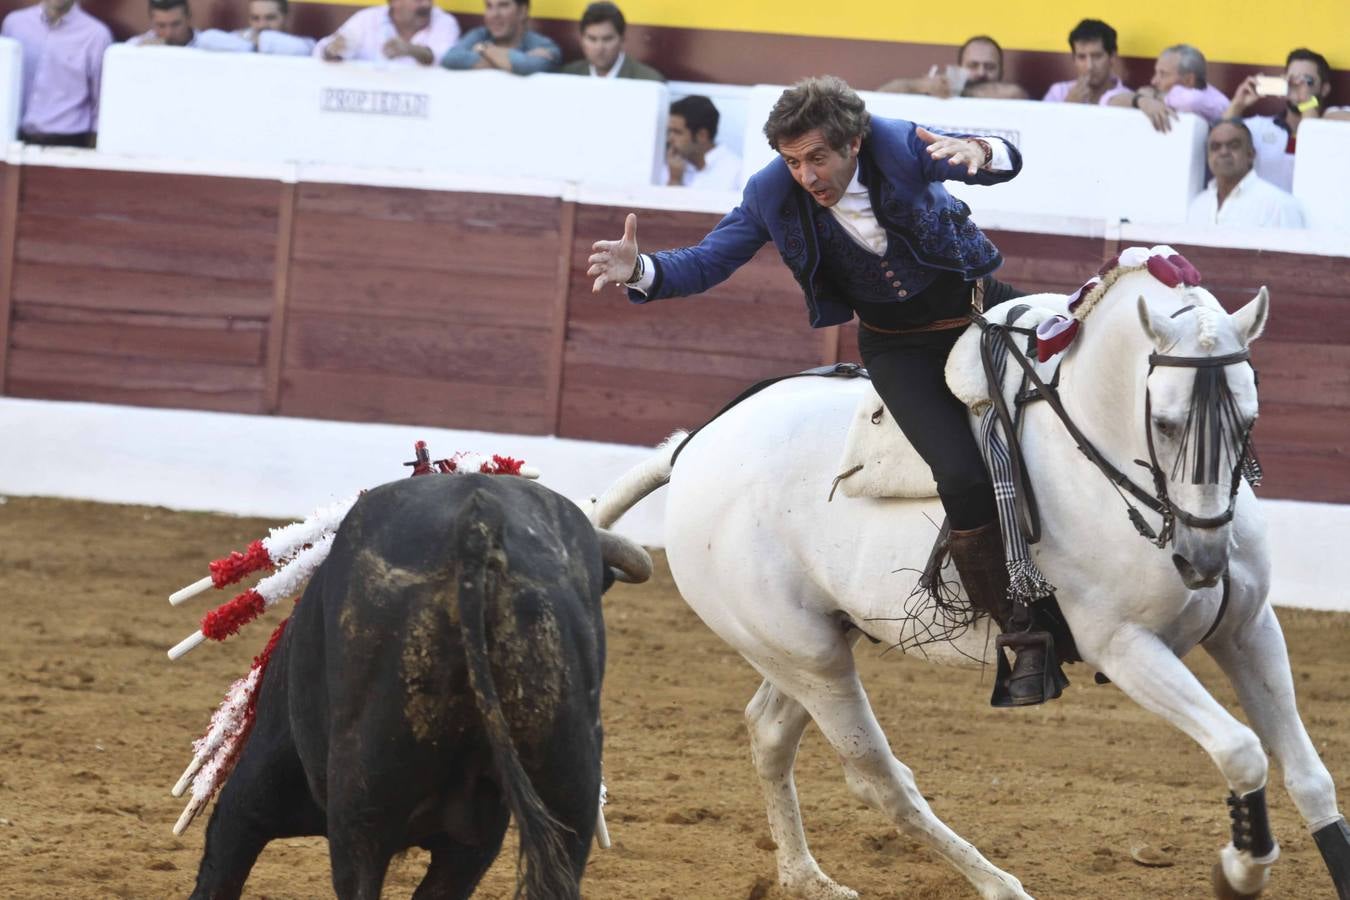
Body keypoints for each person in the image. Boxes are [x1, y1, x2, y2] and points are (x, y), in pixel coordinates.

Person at [589, 76, 1054, 706]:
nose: (806, 174)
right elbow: (710, 259)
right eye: (793, 161)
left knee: (1078, 383)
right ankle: (1021, 636)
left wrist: (981, 150)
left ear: (854, 143)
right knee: (963, 478)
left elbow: (994, 157)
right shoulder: (771, 193)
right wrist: (641, 271)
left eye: (817, 158)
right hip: (900, 349)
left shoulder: (896, 143)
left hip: (983, 308)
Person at [1, 0, 112, 147]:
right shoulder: (14, 24)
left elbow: (102, 100)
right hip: (13, 139)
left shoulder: (96, 35)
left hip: (68, 143)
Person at [1224, 48, 1334, 191]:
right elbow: (1220, 140)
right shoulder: (1259, 126)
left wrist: (1306, 102)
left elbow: (1314, 150)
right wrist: (1237, 104)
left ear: (1324, 89)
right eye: (1293, 79)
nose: (1298, 86)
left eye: (1308, 81)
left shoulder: (1332, 130)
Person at [1187, 120, 1305, 228]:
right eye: (1215, 147)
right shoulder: (1198, 205)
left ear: (1251, 154)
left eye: (1233, 145)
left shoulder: (1279, 205)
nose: (1223, 152)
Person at [1110, 44, 1229, 132]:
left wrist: (1156, 97)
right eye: (1156, 73)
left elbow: (1191, 101)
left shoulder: (1214, 102)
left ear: (1188, 80)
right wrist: (1142, 101)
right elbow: (1111, 101)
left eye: (1163, 74)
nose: (1154, 81)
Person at [878, 35, 1027, 100]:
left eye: (989, 67)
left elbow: (1017, 94)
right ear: (959, 67)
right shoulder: (938, 88)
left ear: (1002, 71)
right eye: (973, 65)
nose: (981, 72)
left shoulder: (1012, 95)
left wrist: (955, 91)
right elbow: (883, 94)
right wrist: (923, 86)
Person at [313, 0, 459, 66]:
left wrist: (411, 50)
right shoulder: (367, 19)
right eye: (418, 0)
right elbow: (321, 51)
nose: (427, 5)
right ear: (394, 1)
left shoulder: (444, 22)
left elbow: (445, 59)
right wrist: (332, 50)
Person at [440, 0, 559, 75]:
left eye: (503, 5)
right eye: (489, 6)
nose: (494, 14)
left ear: (523, 11)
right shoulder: (480, 34)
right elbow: (450, 58)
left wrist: (484, 49)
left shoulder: (544, 46)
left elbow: (524, 65)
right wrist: (505, 63)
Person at [560, 1, 663, 81]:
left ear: (622, 40)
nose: (599, 48)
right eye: (592, 39)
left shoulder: (648, 81)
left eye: (607, 39)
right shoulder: (566, 76)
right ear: (582, 40)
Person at [661, 95, 741, 190]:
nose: (669, 139)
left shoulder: (737, 172)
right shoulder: (669, 167)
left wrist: (675, 182)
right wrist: (673, 179)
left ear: (702, 135)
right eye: (669, 131)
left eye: (677, 132)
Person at [1042, 19, 1130, 106]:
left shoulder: (1126, 98)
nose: (1089, 66)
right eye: (1081, 57)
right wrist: (1068, 105)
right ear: (1074, 59)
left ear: (1112, 57)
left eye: (1097, 56)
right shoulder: (1059, 92)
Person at [127, 0, 254, 49]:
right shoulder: (137, 46)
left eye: (176, 24)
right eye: (161, 25)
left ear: (189, 18)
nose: (169, 32)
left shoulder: (210, 44)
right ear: (152, 22)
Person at [232, 0, 314, 55]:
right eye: (255, 18)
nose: (262, 25)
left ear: (286, 18)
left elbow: (305, 49)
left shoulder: (305, 46)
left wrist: (257, 41)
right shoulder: (238, 37)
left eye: (270, 18)